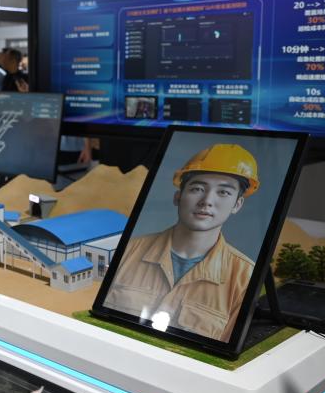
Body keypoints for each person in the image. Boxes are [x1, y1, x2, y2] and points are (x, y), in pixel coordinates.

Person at [103, 144, 258, 342]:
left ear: (237, 204)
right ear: (178, 196)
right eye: (197, 189)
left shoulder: (245, 278)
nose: (206, 201)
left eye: (223, 192)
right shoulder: (127, 251)